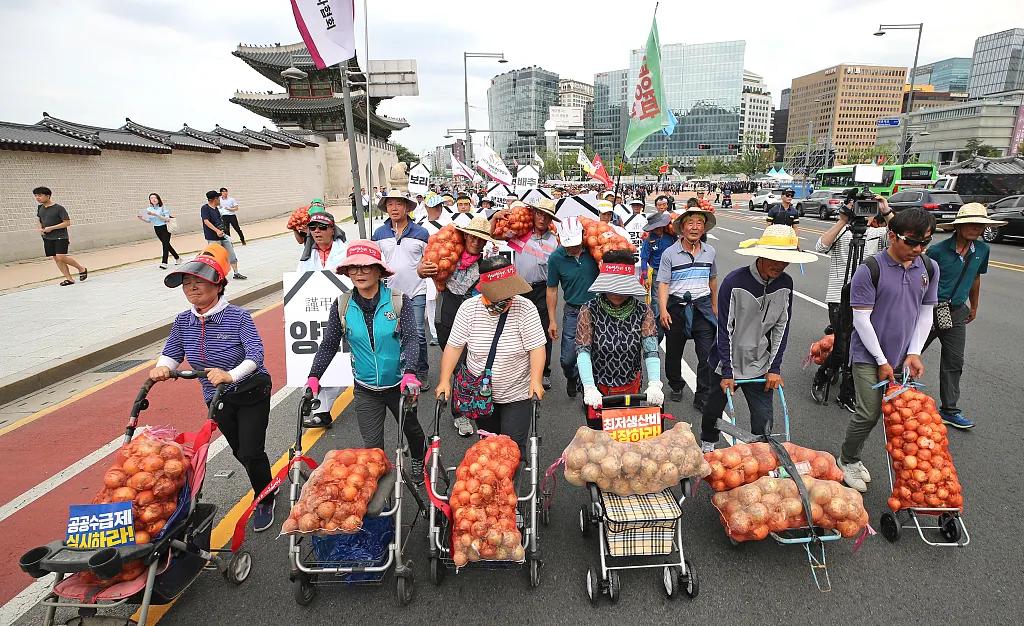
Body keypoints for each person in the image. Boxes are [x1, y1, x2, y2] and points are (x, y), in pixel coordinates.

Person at [150, 244, 275, 530]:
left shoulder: (238, 316)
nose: (192, 288)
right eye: (187, 283)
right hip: (215, 396)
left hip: (251, 392)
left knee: (252, 450)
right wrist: (163, 367)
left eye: (200, 282)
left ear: (219, 285)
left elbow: (256, 355)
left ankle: (265, 496)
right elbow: (172, 352)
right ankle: (265, 481)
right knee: (240, 452)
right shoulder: (184, 321)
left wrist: (231, 375)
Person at [304, 241, 426, 480]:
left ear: (379, 271)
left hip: (400, 386)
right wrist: (313, 377)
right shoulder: (342, 305)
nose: (359, 273)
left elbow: (412, 339)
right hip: (365, 389)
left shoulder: (399, 301)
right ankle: (382, 494)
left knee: (412, 431)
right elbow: (329, 344)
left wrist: (410, 372)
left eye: (366, 267)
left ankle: (419, 460)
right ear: (347, 272)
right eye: (353, 268)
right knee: (372, 450)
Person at [838, 209, 938, 493]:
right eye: (912, 242)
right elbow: (861, 319)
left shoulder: (928, 268)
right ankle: (847, 459)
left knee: (906, 419)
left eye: (925, 243)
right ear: (892, 236)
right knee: (869, 413)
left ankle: (908, 474)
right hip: (868, 356)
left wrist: (915, 352)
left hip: (904, 356)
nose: (918, 250)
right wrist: (881, 360)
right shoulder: (870, 269)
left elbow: (926, 314)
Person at [699, 225, 817, 453]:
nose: (779, 265)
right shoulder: (734, 282)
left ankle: (761, 454)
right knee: (713, 408)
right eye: (774, 258)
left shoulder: (786, 283)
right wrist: (727, 372)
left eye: (785, 260)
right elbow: (725, 329)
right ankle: (707, 443)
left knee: (763, 417)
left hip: (760, 363)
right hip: (726, 361)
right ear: (760, 255)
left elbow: (782, 326)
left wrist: (775, 368)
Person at [435, 256, 546, 457]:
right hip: (480, 393)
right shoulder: (469, 308)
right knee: (488, 449)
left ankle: (513, 487)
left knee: (512, 450)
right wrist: (444, 380)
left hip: (517, 392)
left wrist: (536, 381)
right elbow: (454, 347)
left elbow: (537, 347)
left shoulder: (525, 308)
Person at [924, 203, 1005, 430]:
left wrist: (974, 306)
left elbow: (976, 278)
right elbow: (921, 281)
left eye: (979, 224)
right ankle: (889, 390)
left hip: (957, 311)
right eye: (970, 223)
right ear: (958, 227)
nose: (975, 228)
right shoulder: (937, 251)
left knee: (954, 361)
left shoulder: (982, 251)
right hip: (930, 310)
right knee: (909, 352)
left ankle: (949, 409)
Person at [811, 195, 893, 410]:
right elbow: (820, 247)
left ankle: (848, 392)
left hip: (867, 299)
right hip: (839, 297)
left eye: (869, 208)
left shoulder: (876, 234)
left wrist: (886, 211)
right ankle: (821, 377)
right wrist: (843, 220)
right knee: (841, 347)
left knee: (857, 348)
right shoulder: (842, 233)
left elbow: (900, 236)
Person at [418, 215, 496, 436]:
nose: (475, 241)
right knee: (458, 367)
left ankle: (470, 407)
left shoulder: (485, 265)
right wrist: (423, 270)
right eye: (472, 236)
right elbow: (422, 270)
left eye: (481, 239)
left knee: (470, 366)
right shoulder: (448, 257)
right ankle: (460, 414)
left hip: (475, 324)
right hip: (446, 319)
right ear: (465, 235)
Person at [576, 250, 663, 428]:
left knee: (630, 437)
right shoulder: (589, 310)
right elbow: (583, 349)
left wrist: (654, 383)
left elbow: (651, 349)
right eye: (612, 287)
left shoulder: (643, 311)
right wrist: (589, 386)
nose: (616, 293)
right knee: (599, 441)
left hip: (631, 385)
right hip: (599, 387)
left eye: (622, 288)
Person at [659, 208, 718, 409]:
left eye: (699, 223)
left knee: (707, 356)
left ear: (704, 227)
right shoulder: (670, 253)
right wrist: (663, 310)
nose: (695, 227)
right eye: (690, 223)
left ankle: (703, 396)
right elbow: (664, 283)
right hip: (677, 308)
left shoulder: (709, 251)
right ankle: (676, 384)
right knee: (674, 353)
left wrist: (715, 307)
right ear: (682, 228)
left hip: (702, 308)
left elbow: (713, 279)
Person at [373, 189, 430, 389]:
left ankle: (421, 371)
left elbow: (429, 260)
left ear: (407, 207)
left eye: (398, 204)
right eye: (390, 204)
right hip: (390, 294)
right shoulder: (379, 233)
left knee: (418, 334)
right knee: (393, 333)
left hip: (416, 291)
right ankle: (400, 370)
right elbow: (374, 261)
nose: (394, 208)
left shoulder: (421, 233)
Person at [546, 217, 600, 398]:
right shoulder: (555, 258)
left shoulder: (595, 251)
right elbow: (552, 290)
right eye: (568, 244)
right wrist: (552, 320)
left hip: (597, 309)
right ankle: (572, 376)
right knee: (567, 359)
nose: (573, 248)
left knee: (596, 352)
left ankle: (589, 387)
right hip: (573, 311)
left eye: (576, 243)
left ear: (583, 236)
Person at [515, 199, 560, 390]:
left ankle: (544, 371)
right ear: (533, 215)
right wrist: (497, 217)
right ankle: (522, 370)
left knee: (543, 331)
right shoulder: (521, 234)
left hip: (543, 289)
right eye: (539, 214)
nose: (542, 218)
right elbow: (494, 234)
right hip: (520, 288)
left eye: (546, 215)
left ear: (550, 219)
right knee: (518, 331)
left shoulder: (554, 240)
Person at [33, 186, 87, 286]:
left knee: (61, 257)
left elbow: (67, 223)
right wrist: (40, 228)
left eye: (40, 195)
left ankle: (81, 268)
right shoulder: (40, 208)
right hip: (47, 237)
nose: (37, 198)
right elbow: (39, 219)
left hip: (60, 236)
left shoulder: (59, 208)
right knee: (56, 258)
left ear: (48, 196)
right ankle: (69, 279)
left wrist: (52, 228)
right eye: (36, 196)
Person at [416, 195, 451, 345]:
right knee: (431, 300)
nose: (438, 209)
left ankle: (448, 331)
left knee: (446, 299)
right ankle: (434, 333)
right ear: (426, 207)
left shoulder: (449, 224)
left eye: (440, 206)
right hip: (428, 268)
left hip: (446, 267)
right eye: (435, 206)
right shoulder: (420, 226)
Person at [200, 190, 246, 280]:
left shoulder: (216, 209)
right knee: (215, 257)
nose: (220, 200)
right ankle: (213, 276)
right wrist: (217, 231)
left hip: (223, 235)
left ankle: (236, 273)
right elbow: (206, 221)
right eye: (219, 198)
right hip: (213, 237)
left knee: (231, 253)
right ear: (215, 199)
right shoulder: (205, 208)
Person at [137, 192, 180, 269]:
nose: (153, 199)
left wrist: (155, 214)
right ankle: (177, 258)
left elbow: (167, 219)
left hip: (165, 227)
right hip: (157, 228)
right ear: (149, 200)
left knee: (165, 245)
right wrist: (142, 218)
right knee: (167, 245)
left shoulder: (163, 208)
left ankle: (164, 263)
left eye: (155, 198)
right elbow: (149, 221)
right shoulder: (148, 209)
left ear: (158, 199)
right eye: (151, 198)